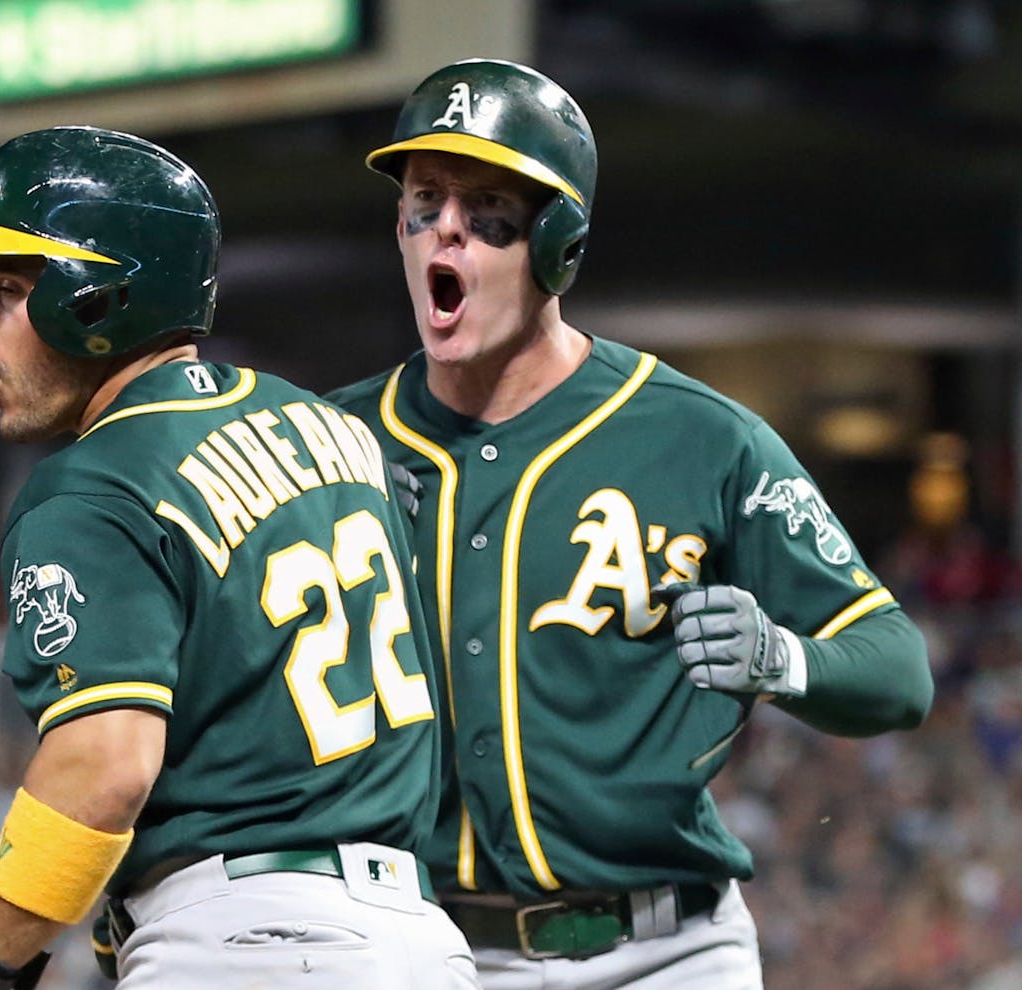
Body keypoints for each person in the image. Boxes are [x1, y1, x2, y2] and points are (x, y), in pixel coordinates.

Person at [327, 58, 935, 989]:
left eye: (486, 208)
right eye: (424, 201)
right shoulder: (328, 444)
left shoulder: (699, 436)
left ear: (560, 243)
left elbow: (898, 668)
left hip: (666, 953)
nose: (445, 227)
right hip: (420, 949)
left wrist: (784, 658)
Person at [0, 126, 479, 989]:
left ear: (99, 297)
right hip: (419, 938)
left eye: (6, 288)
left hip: (247, 943)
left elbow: (103, 769)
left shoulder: (90, 486)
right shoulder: (340, 432)